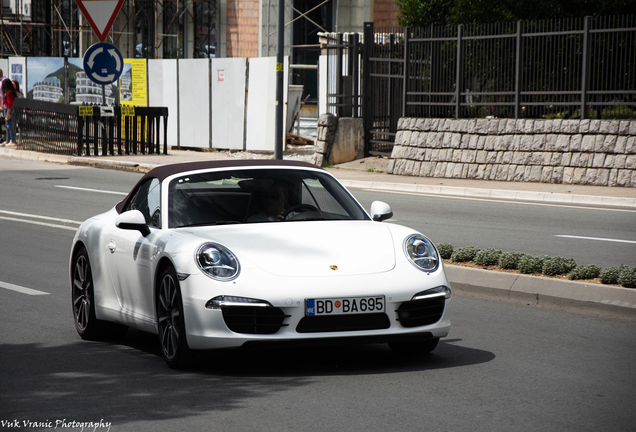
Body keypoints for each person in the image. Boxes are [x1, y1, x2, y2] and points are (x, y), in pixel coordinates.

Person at [2, 79, 17, 146]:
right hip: (8, 108)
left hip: (8, 109)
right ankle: (7, 140)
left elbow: (9, 104)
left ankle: (13, 140)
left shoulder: (8, 93)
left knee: (9, 125)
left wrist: (8, 113)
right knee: (7, 125)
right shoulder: (11, 92)